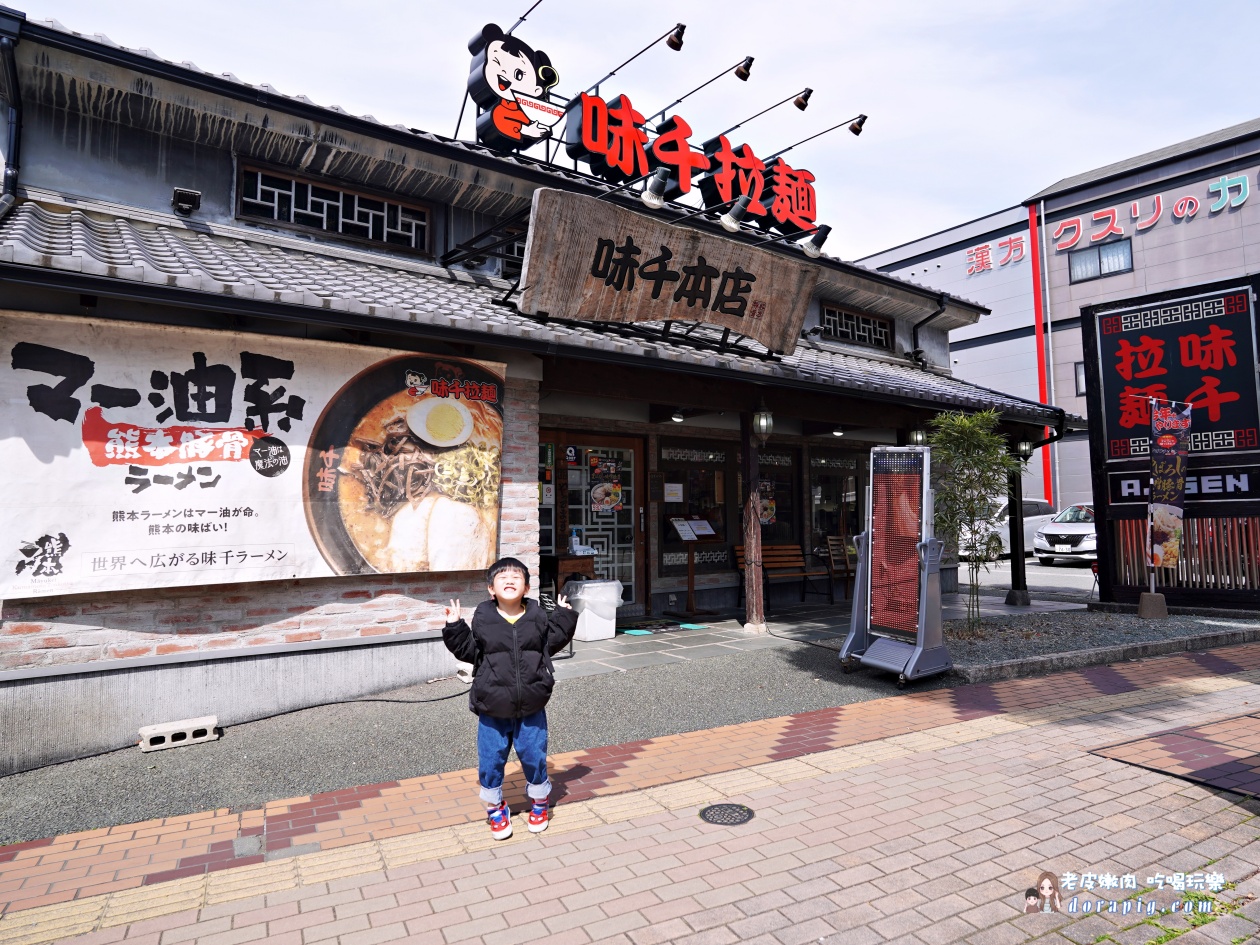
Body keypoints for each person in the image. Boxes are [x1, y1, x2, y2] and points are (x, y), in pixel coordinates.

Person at [443, 557, 578, 839]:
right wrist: (455, 627)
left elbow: (551, 643)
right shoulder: (483, 616)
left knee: (533, 755)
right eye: (502, 576)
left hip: (532, 704)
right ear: (491, 589)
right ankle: (495, 808)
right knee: (491, 759)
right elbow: (469, 650)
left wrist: (564, 615)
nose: (509, 580)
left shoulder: (537, 616)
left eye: (516, 576)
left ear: (526, 587)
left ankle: (539, 803)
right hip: (492, 705)